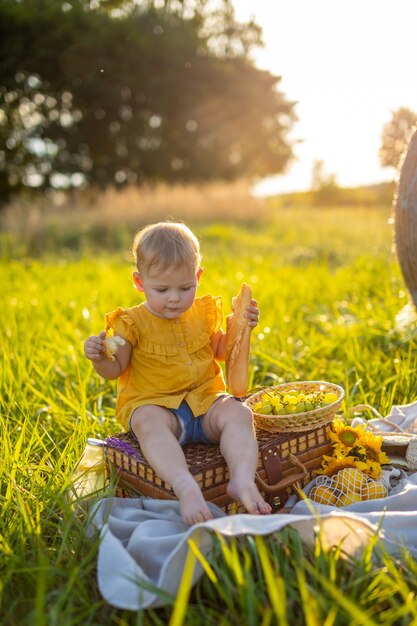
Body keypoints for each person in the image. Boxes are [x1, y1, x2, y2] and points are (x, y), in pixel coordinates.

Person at [84, 221, 272, 525]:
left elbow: (222, 351)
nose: (174, 298)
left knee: (240, 413)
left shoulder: (203, 312)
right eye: (162, 289)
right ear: (139, 282)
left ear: (198, 276)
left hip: (205, 401)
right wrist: (98, 357)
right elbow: (114, 368)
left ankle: (242, 479)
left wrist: (244, 326)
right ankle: (184, 484)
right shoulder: (131, 323)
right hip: (159, 408)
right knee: (146, 420)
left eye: (185, 288)